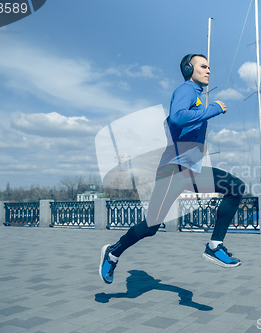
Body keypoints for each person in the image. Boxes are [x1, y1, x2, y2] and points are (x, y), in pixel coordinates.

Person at [99, 54, 246, 284]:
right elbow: (177, 118)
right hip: (174, 172)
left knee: (235, 187)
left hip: (192, 172)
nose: (208, 71)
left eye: (209, 67)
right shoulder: (186, 90)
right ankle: (113, 252)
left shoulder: (195, 97)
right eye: (203, 66)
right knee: (150, 227)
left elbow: (175, 123)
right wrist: (214, 108)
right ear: (189, 69)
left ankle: (215, 246)